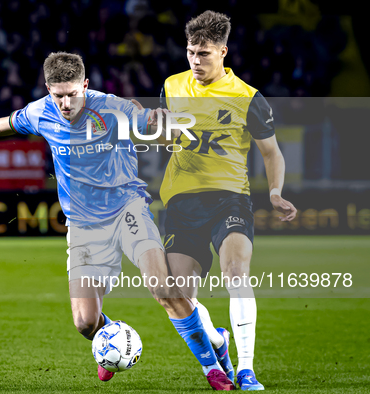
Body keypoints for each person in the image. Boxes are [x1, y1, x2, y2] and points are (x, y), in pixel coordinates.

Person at [0, 52, 235, 390]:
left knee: (163, 288)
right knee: (86, 323)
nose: (66, 103)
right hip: (84, 225)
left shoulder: (113, 107)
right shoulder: (40, 112)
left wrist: (165, 123)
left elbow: (152, 124)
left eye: (73, 94)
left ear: (85, 85)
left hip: (127, 211)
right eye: (59, 95)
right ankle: (115, 338)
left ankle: (213, 368)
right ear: (47, 89)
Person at [158, 11, 297, 391]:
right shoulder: (172, 86)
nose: (195, 60)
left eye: (203, 53)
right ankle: (218, 341)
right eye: (190, 52)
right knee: (179, 296)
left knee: (236, 272)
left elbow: (271, 153)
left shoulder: (247, 97)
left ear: (223, 51)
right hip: (181, 202)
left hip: (230, 199)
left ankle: (246, 369)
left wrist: (274, 192)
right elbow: (165, 138)